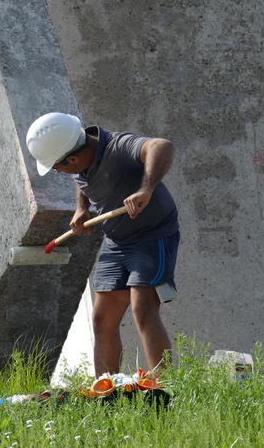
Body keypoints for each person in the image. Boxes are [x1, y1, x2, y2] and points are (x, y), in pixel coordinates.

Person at [26, 112, 180, 377]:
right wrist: (81, 209)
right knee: (102, 319)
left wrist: (146, 189)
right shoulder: (80, 155)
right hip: (116, 240)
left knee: (143, 307)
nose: (58, 171)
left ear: (72, 158)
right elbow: (81, 178)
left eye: (56, 167)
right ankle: (105, 391)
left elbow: (161, 146)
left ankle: (164, 387)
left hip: (152, 236)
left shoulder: (117, 147)